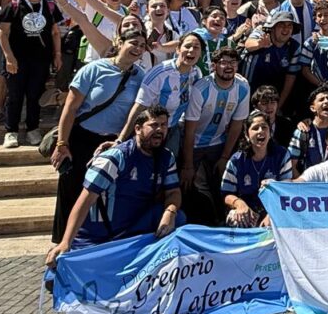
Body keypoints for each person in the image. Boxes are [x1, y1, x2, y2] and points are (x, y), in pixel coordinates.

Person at [45, 105, 181, 267]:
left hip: (134, 227)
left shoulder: (166, 157)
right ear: (137, 129)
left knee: (179, 219)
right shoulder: (115, 158)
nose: (159, 130)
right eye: (153, 125)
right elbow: (85, 200)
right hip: (99, 235)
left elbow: (173, 192)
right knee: (63, 273)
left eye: (163, 125)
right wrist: (65, 242)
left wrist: (170, 213)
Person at [51, 29, 149, 244]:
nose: (138, 49)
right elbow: (71, 107)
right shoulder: (94, 69)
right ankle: (63, 244)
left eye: (142, 46)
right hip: (80, 138)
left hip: (111, 143)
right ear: (119, 42)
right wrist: (62, 143)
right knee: (71, 190)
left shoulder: (140, 76)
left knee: (102, 194)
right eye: (134, 43)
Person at [181, 47, 250, 225]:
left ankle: (223, 221)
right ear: (213, 66)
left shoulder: (242, 87)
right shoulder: (201, 88)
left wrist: (225, 156)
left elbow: (237, 124)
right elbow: (189, 130)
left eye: (233, 63)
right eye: (224, 62)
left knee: (221, 183)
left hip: (218, 143)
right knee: (191, 185)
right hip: (194, 144)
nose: (229, 67)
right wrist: (188, 164)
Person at [0, 0, 62, 146]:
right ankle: (11, 131)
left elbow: (55, 32)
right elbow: (2, 31)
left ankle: (33, 128)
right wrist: (9, 57)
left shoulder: (49, 5)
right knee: (15, 95)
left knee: (35, 95)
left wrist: (57, 55)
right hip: (17, 59)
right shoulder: (15, 5)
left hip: (41, 60)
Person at [117, 32, 203, 158]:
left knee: (167, 170)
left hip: (172, 130)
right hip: (150, 131)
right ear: (178, 49)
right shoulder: (160, 73)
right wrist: (121, 139)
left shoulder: (196, 73)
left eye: (196, 47)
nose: (191, 50)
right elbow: (139, 107)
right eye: (187, 46)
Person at [221, 110, 291, 227]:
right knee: (235, 218)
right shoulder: (237, 160)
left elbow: (286, 190)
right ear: (247, 135)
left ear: (270, 132)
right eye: (255, 128)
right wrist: (239, 204)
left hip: (275, 207)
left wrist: (271, 215)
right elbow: (226, 194)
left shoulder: (282, 155)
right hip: (248, 209)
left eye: (264, 127)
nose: (260, 131)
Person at [289, 85, 328, 175]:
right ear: (313, 108)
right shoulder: (302, 132)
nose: (326, 101)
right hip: (309, 184)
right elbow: (292, 165)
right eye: (321, 99)